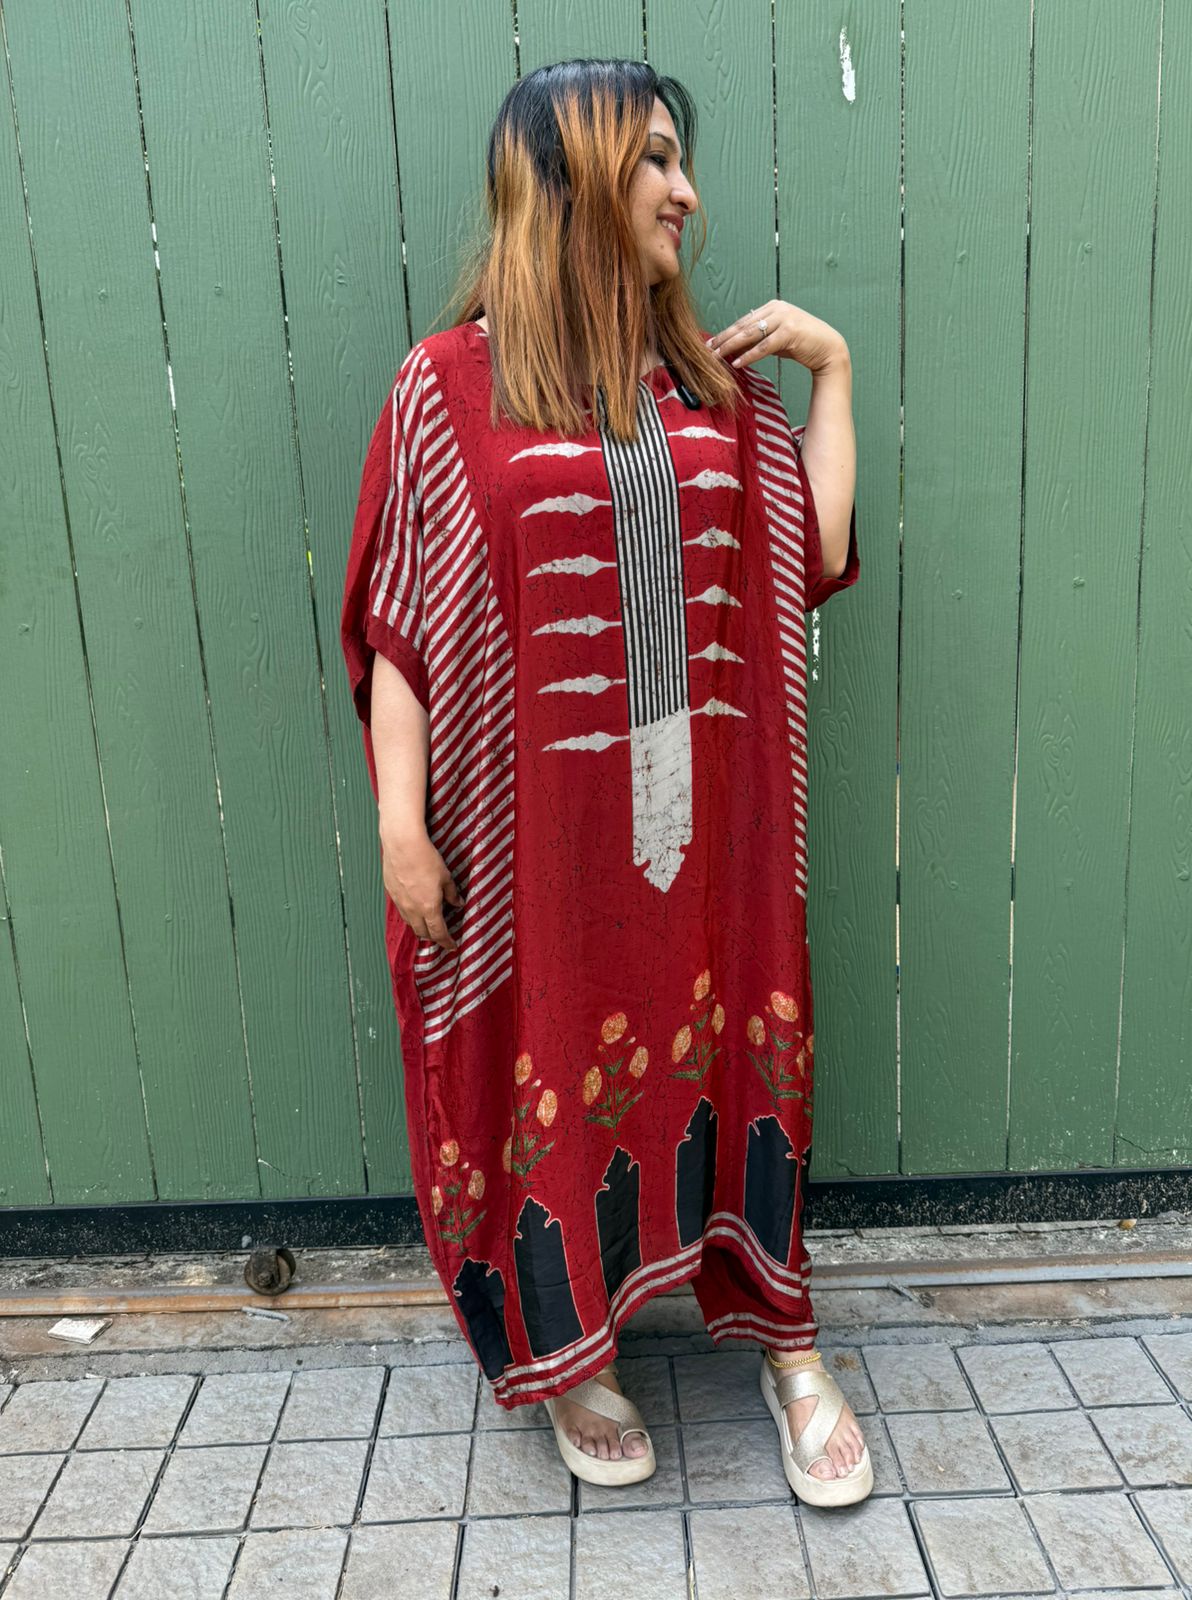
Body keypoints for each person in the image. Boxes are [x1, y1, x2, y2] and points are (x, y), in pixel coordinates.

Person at [340, 57, 870, 1505]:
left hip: (711, 841)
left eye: (681, 160)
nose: (685, 191)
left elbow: (814, 553)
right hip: (538, 851)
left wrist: (830, 373)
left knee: (745, 1042)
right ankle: (572, 1353)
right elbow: (403, 618)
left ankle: (787, 1344)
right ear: (568, 179)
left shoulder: (709, 387)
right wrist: (400, 824)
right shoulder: (450, 385)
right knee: (549, 1053)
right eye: (653, 160)